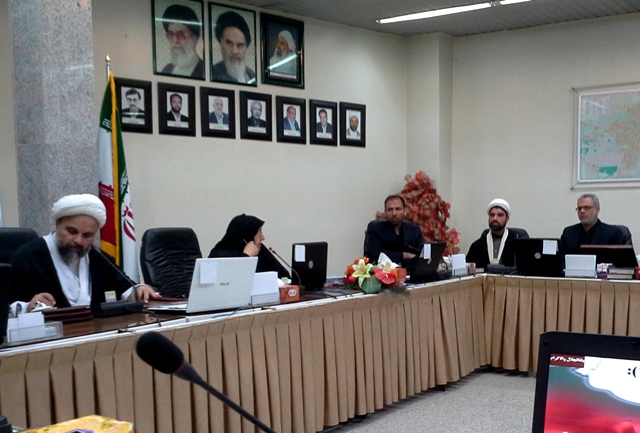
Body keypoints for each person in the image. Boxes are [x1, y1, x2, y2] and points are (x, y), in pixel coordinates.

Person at [9, 194, 159, 313]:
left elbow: (124, 287)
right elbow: (8, 306)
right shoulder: (28, 257)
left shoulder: (98, 257)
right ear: (58, 224)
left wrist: (139, 290)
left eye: (87, 235)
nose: (78, 241)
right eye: (72, 231)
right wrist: (28, 306)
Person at [208, 214, 290, 278]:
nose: (263, 238)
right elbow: (231, 281)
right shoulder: (219, 255)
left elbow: (284, 276)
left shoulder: (261, 253)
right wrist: (246, 257)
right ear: (247, 237)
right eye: (259, 232)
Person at [364, 195, 424, 272]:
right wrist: (404, 255)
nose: (394, 213)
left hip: (410, 274)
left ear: (404, 211)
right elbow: (377, 255)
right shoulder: (375, 228)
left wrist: (402, 265)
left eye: (398, 209)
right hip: (381, 274)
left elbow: (420, 256)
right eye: (390, 210)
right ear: (385, 212)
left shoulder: (414, 230)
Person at [466, 198, 528, 269]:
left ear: (507, 218)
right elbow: (468, 270)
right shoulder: (477, 246)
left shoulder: (517, 244)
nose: (495, 218)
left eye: (500, 215)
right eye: (492, 215)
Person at [560, 193, 627, 254]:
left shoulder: (612, 233)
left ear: (597, 209)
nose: (582, 211)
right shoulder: (568, 233)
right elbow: (561, 259)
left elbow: (616, 261)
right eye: (579, 208)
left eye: (587, 208)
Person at [160, 4, 204, 79]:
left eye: (180, 35)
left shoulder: (204, 71)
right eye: (171, 34)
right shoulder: (167, 70)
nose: (175, 40)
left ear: (194, 38)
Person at [211, 11, 256, 84]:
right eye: (229, 43)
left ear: (246, 47)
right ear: (221, 43)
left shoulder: (252, 75)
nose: (235, 51)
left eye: (240, 45)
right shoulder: (213, 74)